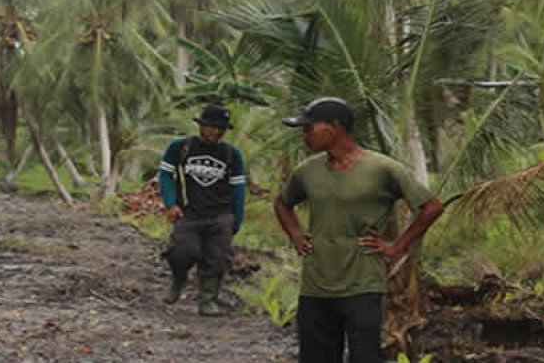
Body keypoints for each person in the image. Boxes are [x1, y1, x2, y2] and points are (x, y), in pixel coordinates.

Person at [275, 97, 444, 363]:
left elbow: (431, 207)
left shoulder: (382, 169)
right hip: (316, 285)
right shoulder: (306, 171)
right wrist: (295, 234)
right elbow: (283, 204)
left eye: (309, 128)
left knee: (365, 356)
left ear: (335, 127)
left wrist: (397, 245)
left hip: (362, 284)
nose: (304, 135)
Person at [158, 104, 246, 316]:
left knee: (216, 258)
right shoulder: (180, 147)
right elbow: (166, 176)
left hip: (220, 214)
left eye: (220, 128)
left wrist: (236, 219)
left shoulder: (231, 154)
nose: (215, 132)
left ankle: (207, 300)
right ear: (201, 126)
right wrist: (170, 204)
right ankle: (178, 279)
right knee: (182, 252)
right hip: (188, 213)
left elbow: (238, 189)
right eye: (211, 127)